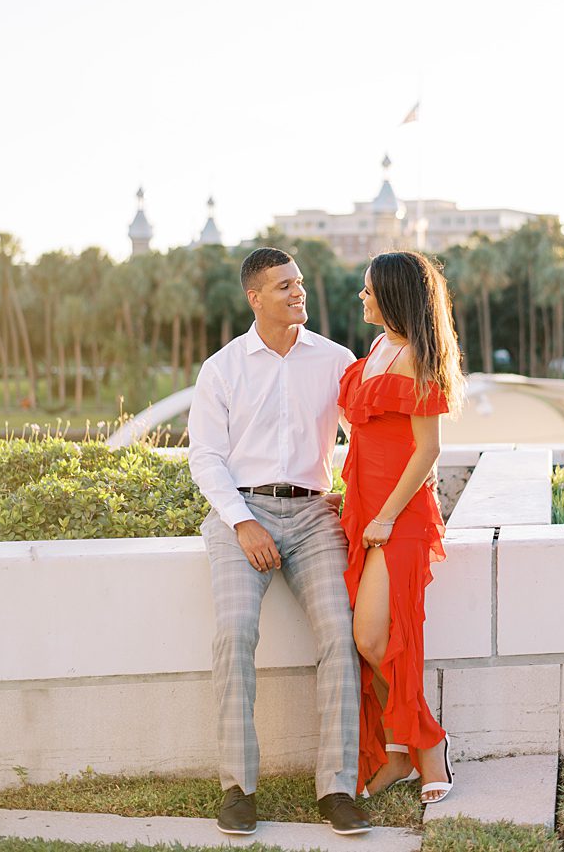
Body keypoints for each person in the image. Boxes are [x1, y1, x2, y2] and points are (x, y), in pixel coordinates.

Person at [188, 247, 371, 837]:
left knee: (340, 636)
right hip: (241, 514)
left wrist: (358, 495)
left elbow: (366, 435)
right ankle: (238, 788)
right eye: (284, 286)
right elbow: (206, 458)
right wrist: (242, 521)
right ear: (255, 298)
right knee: (234, 633)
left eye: (299, 283)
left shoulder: (336, 360)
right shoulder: (222, 369)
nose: (298, 293)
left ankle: (337, 787)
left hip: (315, 514)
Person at [338, 250, 468, 804]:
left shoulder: (416, 357)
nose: (361, 298)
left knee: (376, 637)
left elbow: (428, 450)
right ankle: (396, 753)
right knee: (371, 639)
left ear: (391, 296)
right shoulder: (377, 348)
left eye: (368, 291)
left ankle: (428, 744)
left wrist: (387, 518)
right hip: (366, 511)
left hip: (399, 515)